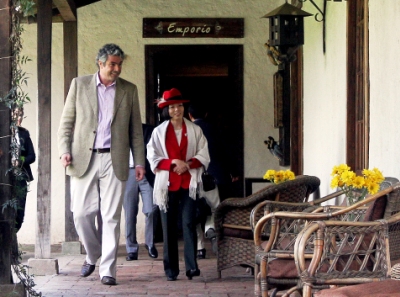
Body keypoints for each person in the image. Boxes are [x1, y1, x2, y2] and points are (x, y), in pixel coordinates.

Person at [57, 43, 145, 286]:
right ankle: (93, 253)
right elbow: (66, 123)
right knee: (82, 213)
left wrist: (139, 162)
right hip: (83, 158)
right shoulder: (80, 84)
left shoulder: (129, 90)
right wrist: (64, 150)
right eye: (112, 64)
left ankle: (108, 270)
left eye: (119, 64)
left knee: (111, 217)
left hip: (115, 159)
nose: (116, 69)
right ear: (101, 63)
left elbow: (135, 131)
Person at [146, 88, 210, 281]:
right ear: (166, 109)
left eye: (179, 106)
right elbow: (152, 156)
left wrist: (188, 164)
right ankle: (171, 270)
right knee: (168, 227)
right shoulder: (158, 132)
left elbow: (204, 154)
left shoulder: (195, 130)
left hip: (189, 182)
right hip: (167, 184)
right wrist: (173, 163)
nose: (176, 110)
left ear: (184, 107)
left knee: (189, 223)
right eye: (172, 107)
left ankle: (191, 267)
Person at [188, 104, 239, 259]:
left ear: (190, 115)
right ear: (206, 113)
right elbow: (226, 151)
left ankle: (199, 248)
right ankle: (211, 228)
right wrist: (233, 172)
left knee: (195, 210)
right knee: (215, 207)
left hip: (194, 176)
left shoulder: (188, 131)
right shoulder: (215, 129)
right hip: (215, 175)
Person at [124, 123, 158, 261]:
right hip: (128, 173)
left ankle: (150, 244)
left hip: (146, 174)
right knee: (129, 213)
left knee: (152, 209)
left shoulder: (148, 130)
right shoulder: (118, 132)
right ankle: (131, 249)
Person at [11, 107, 36, 232]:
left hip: (20, 176)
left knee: (19, 212)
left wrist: (20, 162)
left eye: (21, 114)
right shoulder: (3, 133)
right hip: (4, 178)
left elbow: (32, 156)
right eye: (16, 114)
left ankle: (13, 237)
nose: (19, 118)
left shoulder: (24, 133)